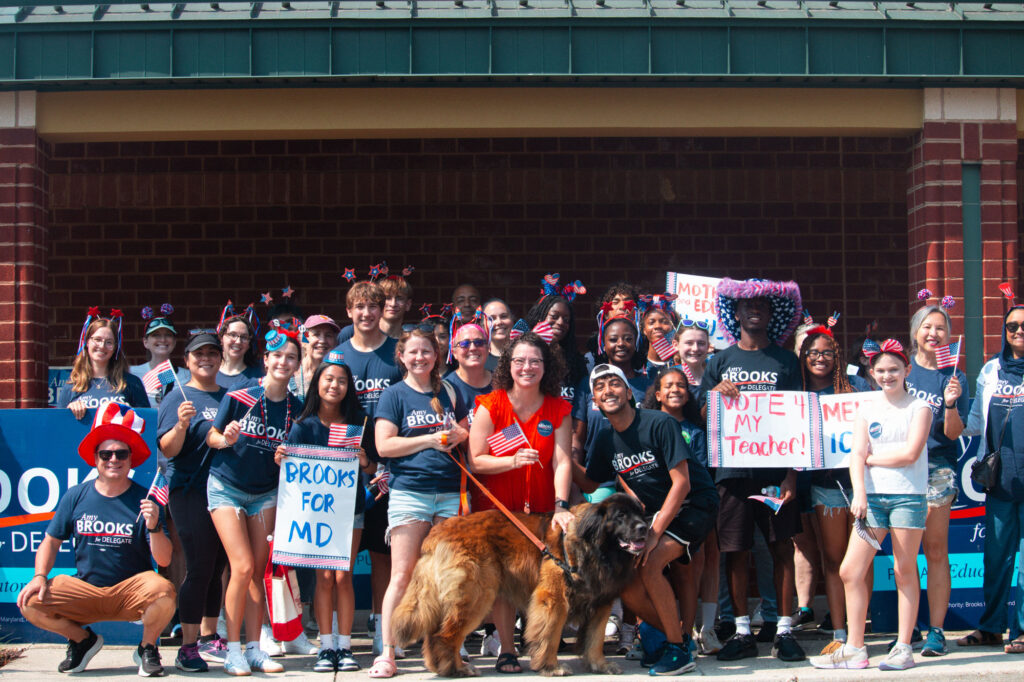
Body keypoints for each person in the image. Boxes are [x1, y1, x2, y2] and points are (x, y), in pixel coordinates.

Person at [573, 364, 719, 676]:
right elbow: (588, 484)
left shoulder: (659, 422)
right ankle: (671, 638)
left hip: (694, 505)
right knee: (626, 582)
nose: (607, 391)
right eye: (599, 388)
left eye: (614, 384)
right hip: (657, 515)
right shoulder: (604, 440)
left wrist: (654, 532)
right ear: (595, 402)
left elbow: (682, 483)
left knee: (650, 564)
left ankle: (678, 650)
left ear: (629, 392)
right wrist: (558, 457)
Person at [17, 404, 175, 677]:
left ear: (131, 458)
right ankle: (82, 640)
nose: (113, 459)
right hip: (85, 591)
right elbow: (51, 541)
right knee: (30, 601)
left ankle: (147, 648)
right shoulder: (76, 495)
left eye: (121, 453)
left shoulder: (146, 501)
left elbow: (164, 560)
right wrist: (40, 576)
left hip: (130, 591)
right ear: (95, 458)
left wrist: (154, 526)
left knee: (164, 592)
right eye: (106, 453)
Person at [699, 277, 806, 663]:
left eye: (763, 306)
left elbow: (798, 418)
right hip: (732, 472)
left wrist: (792, 474)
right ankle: (742, 631)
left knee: (781, 548)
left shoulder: (786, 360)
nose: (755, 310)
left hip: (776, 472)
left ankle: (783, 630)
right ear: (737, 313)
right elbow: (703, 418)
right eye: (748, 306)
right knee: (736, 551)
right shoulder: (720, 361)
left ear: (771, 314)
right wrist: (713, 395)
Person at [810, 339, 932, 671]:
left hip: (908, 498)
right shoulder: (866, 409)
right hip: (873, 503)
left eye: (894, 369)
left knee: (904, 570)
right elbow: (855, 457)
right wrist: (860, 492)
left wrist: (872, 460)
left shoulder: (919, 408)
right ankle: (855, 648)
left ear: (907, 370)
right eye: (881, 370)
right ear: (872, 373)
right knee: (850, 570)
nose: (888, 375)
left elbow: (910, 454)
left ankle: (904, 647)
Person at [468, 332, 574, 674]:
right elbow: (477, 461)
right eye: (519, 361)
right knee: (501, 583)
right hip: (498, 511)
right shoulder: (490, 404)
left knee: (543, 582)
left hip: (542, 511)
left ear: (546, 367)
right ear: (508, 365)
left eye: (535, 361)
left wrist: (560, 505)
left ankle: (541, 650)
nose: (527, 368)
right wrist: (512, 462)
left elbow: (562, 462)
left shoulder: (559, 408)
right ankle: (507, 650)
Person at [370, 328, 470, 678]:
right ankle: (387, 652)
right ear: (401, 356)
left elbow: (465, 433)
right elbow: (384, 446)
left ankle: (446, 648)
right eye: (412, 352)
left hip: (449, 492)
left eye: (426, 351)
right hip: (409, 491)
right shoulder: (393, 395)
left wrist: (460, 434)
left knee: (448, 576)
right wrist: (430, 439)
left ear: (437, 355)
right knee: (402, 574)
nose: (419, 358)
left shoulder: (451, 391)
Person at [206, 323, 303, 675]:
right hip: (227, 487)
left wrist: (286, 456)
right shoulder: (240, 395)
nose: (283, 362)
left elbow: (297, 455)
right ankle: (232, 649)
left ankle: (253, 649)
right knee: (242, 566)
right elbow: (212, 438)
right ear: (265, 359)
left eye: (291, 357)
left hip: (265, 493)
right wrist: (227, 438)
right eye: (277, 355)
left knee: (257, 572)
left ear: (297, 365)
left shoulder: (298, 407)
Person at [275, 350, 376, 673]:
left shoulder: (360, 422)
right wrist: (281, 458)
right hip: (315, 516)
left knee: (343, 576)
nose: (335, 385)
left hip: (352, 511)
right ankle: (326, 645)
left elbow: (373, 466)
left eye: (342, 380)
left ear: (349, 386)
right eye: (329, 379)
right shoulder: (303, 426)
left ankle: (345, 647)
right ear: (317, 383)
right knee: (323, 578)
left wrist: (364, 461)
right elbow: (290, 469)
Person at [335, 280, 404, 657]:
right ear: (349, 312)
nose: (366, 314)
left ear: (382, 310)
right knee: (339, 552)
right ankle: (335, 634)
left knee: (383, 552)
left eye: (373, 307)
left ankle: (383, 626)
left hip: (389, 469)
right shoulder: (338, 355)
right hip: (345, 467)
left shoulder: (397, 354)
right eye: (359, 307)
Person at [156, 333, 229, 672]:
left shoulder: (230, 396)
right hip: (189, 492)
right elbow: (168, 449)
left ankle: (209, 637)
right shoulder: (176, 397)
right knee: (199, 567)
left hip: (224, 491)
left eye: (213, 353)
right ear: (187, 360)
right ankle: (186, 647)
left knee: (217, 568)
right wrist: (183, 424)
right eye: (199, 354)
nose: (207, 359)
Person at [642, 367, 722, 659]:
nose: (676, 389)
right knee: (650, 570)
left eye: (682, 385)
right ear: (658, 394)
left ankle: (686, 634)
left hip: (690, 511)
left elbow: (694, 472)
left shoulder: (695, 431)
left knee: (688, 574)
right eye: (669, 385)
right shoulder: (648, 426)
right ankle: (652, 635)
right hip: (656, 508)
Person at [959, 304, 1024, 653]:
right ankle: (991, 628)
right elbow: (972, 424)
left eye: (1023, 326)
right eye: (1011, 325)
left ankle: (1023, 630)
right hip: (1000, 482)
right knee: (996, 559)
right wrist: (949, 404)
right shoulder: (991, 370)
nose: (1017, 331)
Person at [905, 300, 966, 656]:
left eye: (940, 328)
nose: (933, 333)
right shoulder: (902, 370)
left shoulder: (954, 377)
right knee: (904, 553)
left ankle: (937, 630)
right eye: (927, 327)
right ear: (915, 332)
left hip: (938, 468)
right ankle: (908, 626)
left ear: (948, 335)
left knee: (935, 550)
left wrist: (952, 404)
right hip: (900, 470)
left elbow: (954, 433)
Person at [799, 326, 860, 654]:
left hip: (861, 485)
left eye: (827, 353)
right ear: (804, 357)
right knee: (834, 560)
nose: (820, 359)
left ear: (837, 357)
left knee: (859, 562)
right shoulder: (796, 392)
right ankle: (839, 630)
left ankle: (858, 631)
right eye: (813, 353)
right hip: (824, 488)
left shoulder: (855, 388)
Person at [573, 314, 650, 503]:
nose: (621, 344)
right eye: (613, 339)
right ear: (603, 344)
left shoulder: (648, 385)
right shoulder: (588, 384)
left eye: (628, 339)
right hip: (600, 483)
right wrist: (574, 488)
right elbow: (577, 438)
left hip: (641, 477)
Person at [58, 309, 149, 417]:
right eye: (97, 339)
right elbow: (58, 426)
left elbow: (147, 422)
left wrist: (130, 411)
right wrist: (69, 412)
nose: (102, 346)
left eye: (109, 342)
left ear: (115, 347)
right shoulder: (72, 386)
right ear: (87, 342)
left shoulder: (132, 383)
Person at [525, 275, 587, 405]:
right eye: (554, 316)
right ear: (540, 318)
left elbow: (581, 410)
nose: (560, 323)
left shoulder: (577, 363)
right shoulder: (523, 355)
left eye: (566, 319)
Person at [130, 304, 190, 407]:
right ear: (145, 342)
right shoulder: (131, 373)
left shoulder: (187, 376)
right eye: (156, 335)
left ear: (174, 341)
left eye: (168, 335)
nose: (162, 340)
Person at [338, 275, 413, 344]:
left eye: (399, 298)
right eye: (387, 298)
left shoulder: (412, 339)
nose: (393, 304)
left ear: (408, 304)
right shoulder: (350, 333)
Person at [444, 322, 493, 424]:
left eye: (479, 342)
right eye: (464, 344)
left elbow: (515, 423)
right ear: (454, 352)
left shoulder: (503, 383)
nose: (473, 348)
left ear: (488, 348)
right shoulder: (446, 389)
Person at [293, 314, 341, 401]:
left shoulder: (339, 376)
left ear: (335, 343)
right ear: (302, 340)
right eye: (316, 334)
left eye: (328, 335)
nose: (322, 340)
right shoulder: (290, 372)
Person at [216, 304, 263, 389]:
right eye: (232, 335)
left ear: (249, 344)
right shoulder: (209, 372)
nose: (238, 341)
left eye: (244, 337)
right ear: (221, 339)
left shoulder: (259, 375)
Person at [639, 297, 680, 376]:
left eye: (664, 322)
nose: (657, 326)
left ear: (673, 327)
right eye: (651, 322)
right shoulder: (638, 365)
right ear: (644, 330)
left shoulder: (682, 364)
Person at [483, 298, 514, 372]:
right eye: (491, 319)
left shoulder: (523, 354)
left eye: (504, 316)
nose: (499, 322)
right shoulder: (479, 358)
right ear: (482, 325)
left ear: (512, 320)